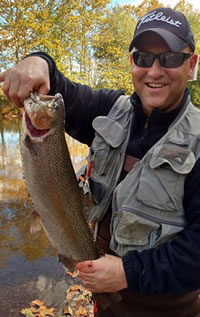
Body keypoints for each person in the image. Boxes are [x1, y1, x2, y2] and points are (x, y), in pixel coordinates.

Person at [0, 6, 200, 317]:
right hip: (104, 301)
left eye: (171, 58)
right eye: (144, 58)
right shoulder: (110, 109)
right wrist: (38, 61)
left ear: (191, 65)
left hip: (169, 308)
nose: (155, 70)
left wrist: (127, 273)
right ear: (133, 62)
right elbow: (57, 87)